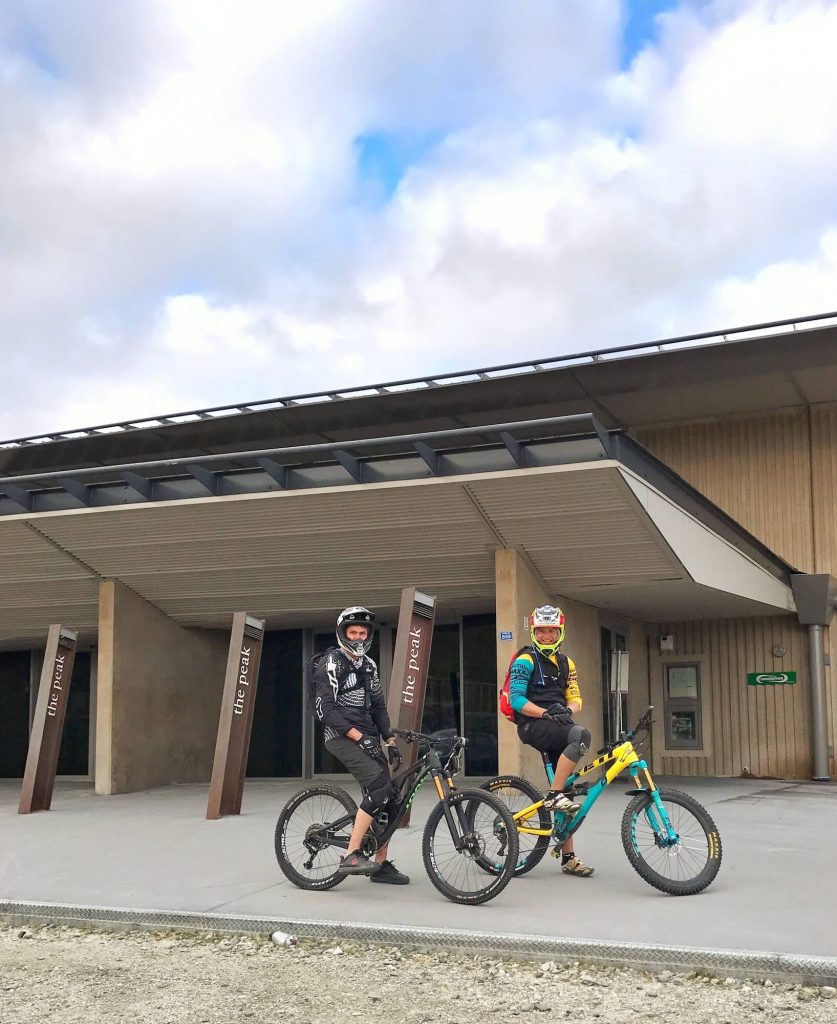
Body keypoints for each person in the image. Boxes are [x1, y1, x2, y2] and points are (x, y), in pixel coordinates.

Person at [312, 605, 409, 885]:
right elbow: (325, 711)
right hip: (341, 737)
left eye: (362, 633)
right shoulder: (332, 662)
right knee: (380, 788)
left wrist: (388, 739)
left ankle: (380, 865)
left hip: (367, 737)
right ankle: (351, 854)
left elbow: (378, 707)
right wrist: (358, 736)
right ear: (343, 633)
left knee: (392, 800)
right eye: (352, 632)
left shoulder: (369, 666)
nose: (357, 638)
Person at [508, 604, 594, 877]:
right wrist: (544, 712)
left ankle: (568, 858)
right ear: (535, 631)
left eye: (551, 631)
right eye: (542, 631)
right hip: (532, 724)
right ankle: (553, 795)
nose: (546, 636)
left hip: (558, 723)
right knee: (581, 735)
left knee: (568, 787)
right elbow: (517, 699)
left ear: (560, 633)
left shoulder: (567, 663)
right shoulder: (525, 660)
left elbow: (576, 697)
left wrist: (567, 711)